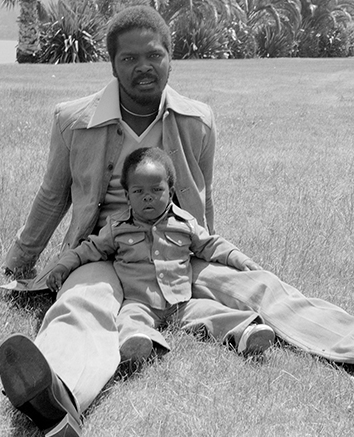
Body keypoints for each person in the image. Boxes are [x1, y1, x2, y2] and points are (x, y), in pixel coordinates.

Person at [0, 5, 354, 437]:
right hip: (105, 250)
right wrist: (21, 263)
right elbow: (52, 197)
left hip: (178, 245)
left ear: (171, 58)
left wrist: (212, 263)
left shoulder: (197, 120)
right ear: (112, 64)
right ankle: (58, 396)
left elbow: (202, 196)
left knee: (266, 289)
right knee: (82, 303)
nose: (144, 67)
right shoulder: (73, 120)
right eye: (129, 58)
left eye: (154, 55)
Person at [48, 146, 277, 368]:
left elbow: (210, 245)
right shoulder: (118, 227)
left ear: (171, 192)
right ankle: (138, 343)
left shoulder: (184, 223)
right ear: (127, 196)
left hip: (181, 303)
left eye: (156, 190)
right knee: (128, 321)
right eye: (138, 192)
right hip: (139, 302)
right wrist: (63, 266)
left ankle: (247, 334)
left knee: (213, 312)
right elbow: (90, 248)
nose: (148, 197)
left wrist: (240, 259)